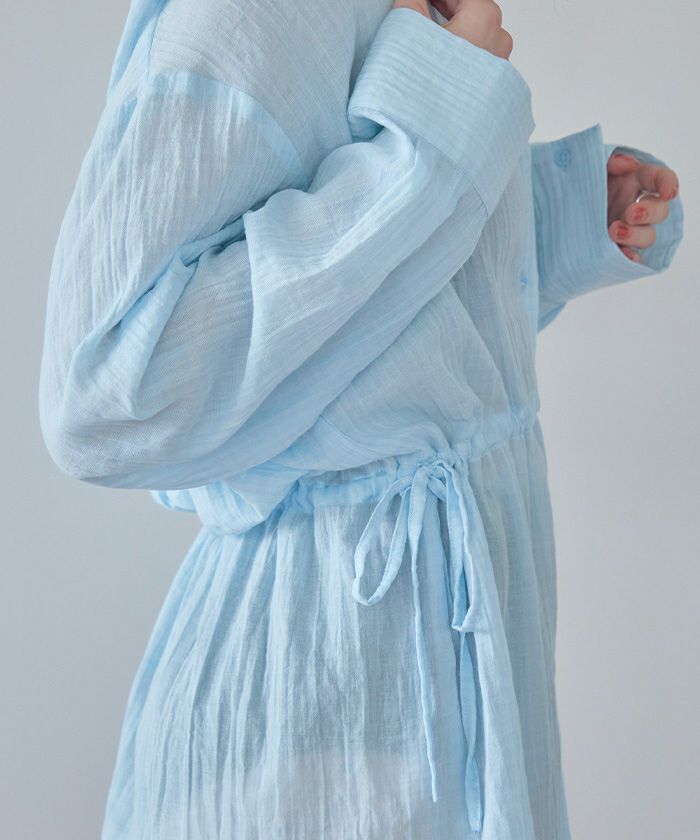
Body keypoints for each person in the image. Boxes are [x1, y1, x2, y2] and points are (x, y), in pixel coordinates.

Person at [38, 1, 684, 838]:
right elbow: (108, 397)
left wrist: (548, 223)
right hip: (328, 684)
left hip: (436, 661)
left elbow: (369, 334)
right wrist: (437, 140)